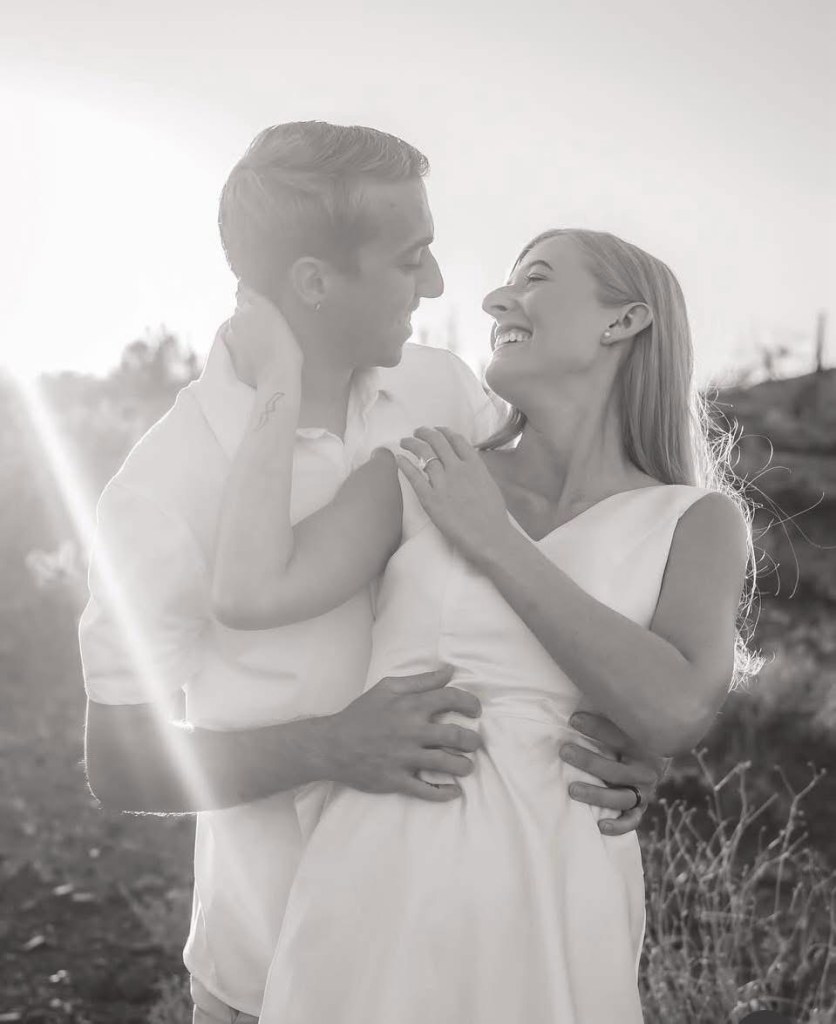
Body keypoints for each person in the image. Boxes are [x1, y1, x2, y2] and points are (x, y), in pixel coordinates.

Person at [79, 123, 665, 1024]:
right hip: (266, 960)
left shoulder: (447, 396)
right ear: (314, 282)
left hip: (462, 950)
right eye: (410, 259)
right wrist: (330, 746)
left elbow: (552, 569)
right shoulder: (163, 490)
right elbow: (120, 765)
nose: (435, 286)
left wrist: (626, 743)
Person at [212, 228, 755, 1023]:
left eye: (534, 279)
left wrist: (494, 540)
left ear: (624, 320)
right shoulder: (423, 471)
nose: (498, 299)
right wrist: (277, 386)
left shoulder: (696, 520)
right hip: (382, 872)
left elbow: (671, 711)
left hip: (563, 885)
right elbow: (249, 592)